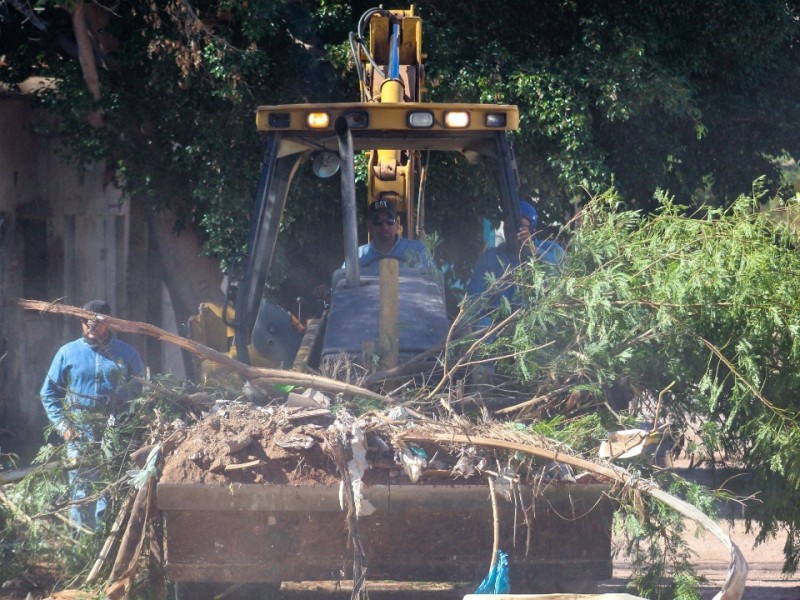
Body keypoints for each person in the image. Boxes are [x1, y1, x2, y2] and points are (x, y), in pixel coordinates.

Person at [40, 299, 145, 533]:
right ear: (80, 322)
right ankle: (81, 549)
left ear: (109, 323)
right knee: (81, 491)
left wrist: (131, 425)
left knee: (110, 489)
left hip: (115, 433)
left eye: (96, 324)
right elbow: (48, 393)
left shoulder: (127, 354)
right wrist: (65, 427)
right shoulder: (67, 353)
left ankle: (104, 542)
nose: (91, 329)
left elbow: (142, 394)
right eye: (85, 323)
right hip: (79, 434)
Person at [466, 199, 564, 322]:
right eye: (507, 225)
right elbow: (474, 302)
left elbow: (560, 274)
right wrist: (486, 335)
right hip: (497, 331)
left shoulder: (550, 249)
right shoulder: (491, 257)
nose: (511, 230)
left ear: (532, 228)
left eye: (519, 226)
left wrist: (533, 251)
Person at [355, 198, 434, 268]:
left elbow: (434, 281)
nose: (385, 226)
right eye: (378, 221)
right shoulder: (357, 257)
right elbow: (343, 280)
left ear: (398, 224)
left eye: (390, 220)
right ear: (369, 227)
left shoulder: (418, 250)